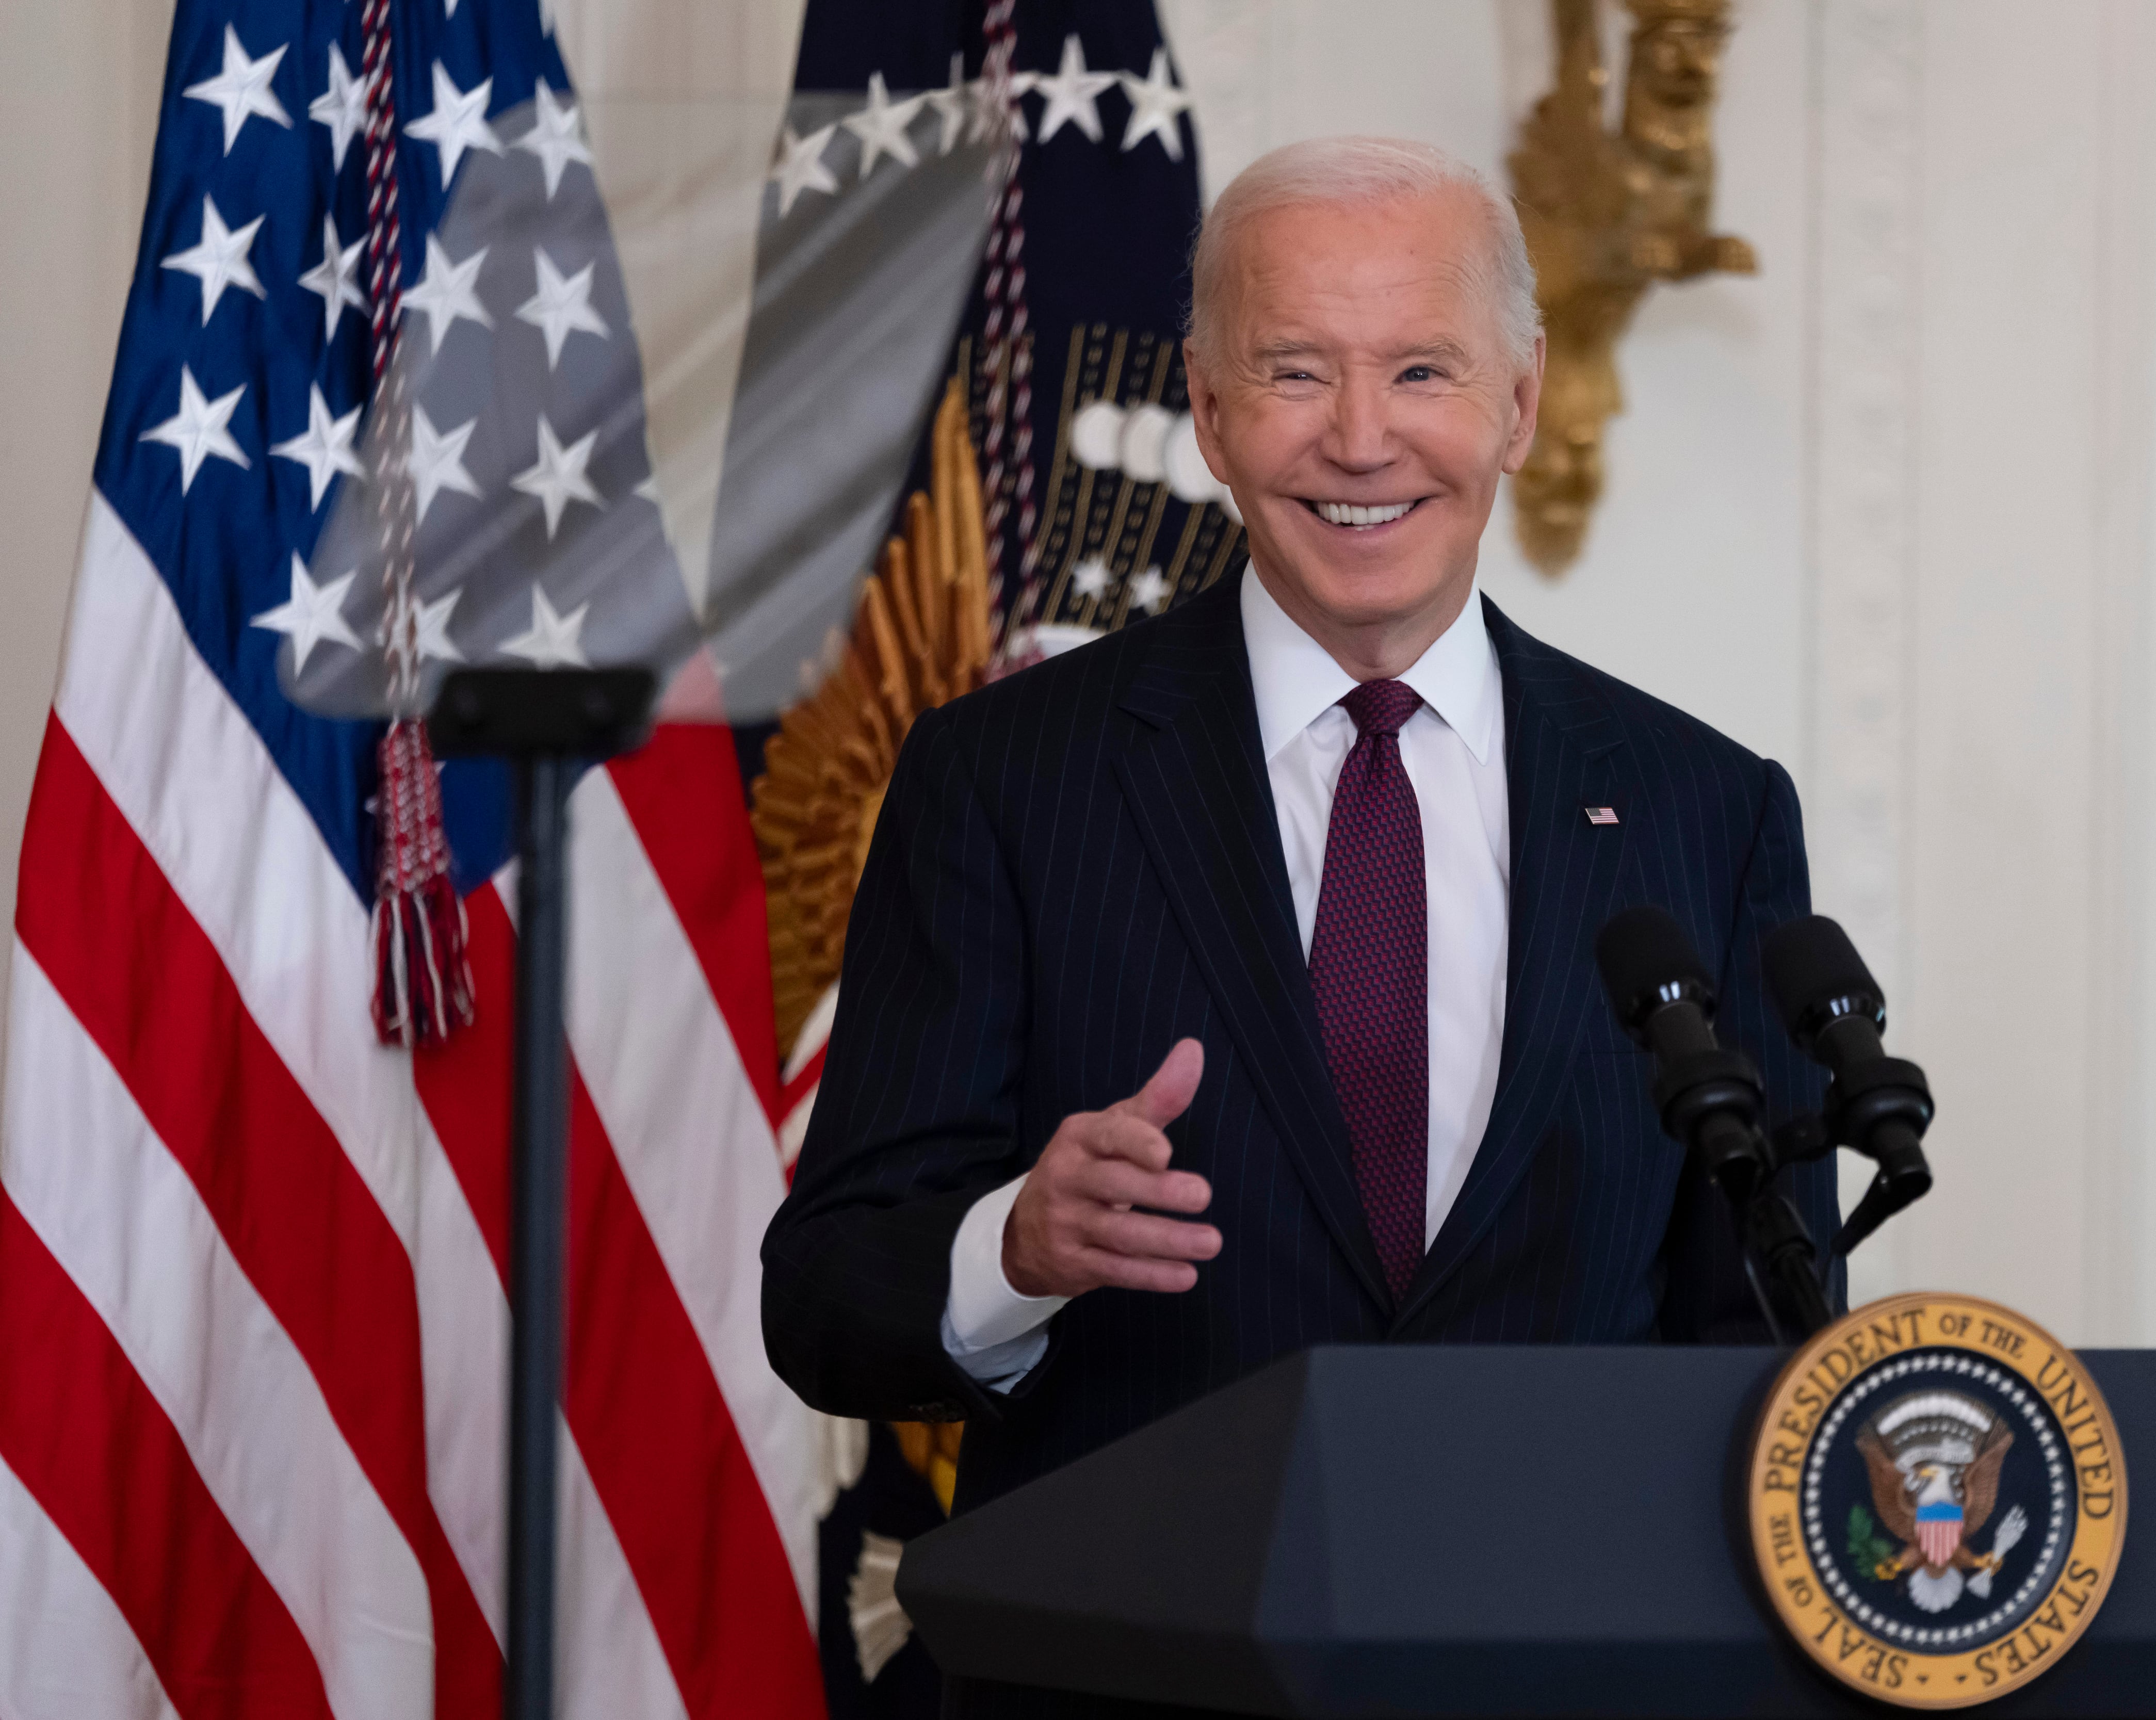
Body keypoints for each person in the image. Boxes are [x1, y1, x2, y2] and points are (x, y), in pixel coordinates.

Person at [762, 134, 1839, 1711]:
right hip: (1118, 1681)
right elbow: (829, 1298)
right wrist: (1016, 1247)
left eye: (1420, 369)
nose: (1359, 440)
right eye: (1292, 373)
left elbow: (1773, 1342)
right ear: (1206, 408)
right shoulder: (1005, 779)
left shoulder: (1706, 810)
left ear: (1519, 401)